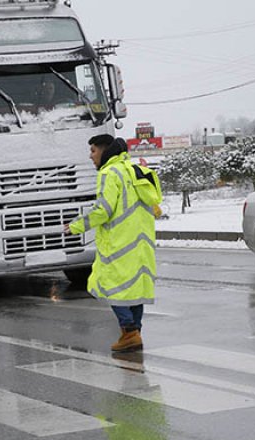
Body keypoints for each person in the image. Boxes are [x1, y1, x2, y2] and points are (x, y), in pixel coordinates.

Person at [64, 134, 162, 352]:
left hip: (118, 244)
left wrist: (77, 225)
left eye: (93, 151)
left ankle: (129, 332)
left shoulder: (110, 173)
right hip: (141, 243)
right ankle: (134, 332)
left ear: (105, 150)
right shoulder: (136, 170)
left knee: (112, 287)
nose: (90, 156)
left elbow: (104, 209)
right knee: (134, 290)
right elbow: (154, 204)